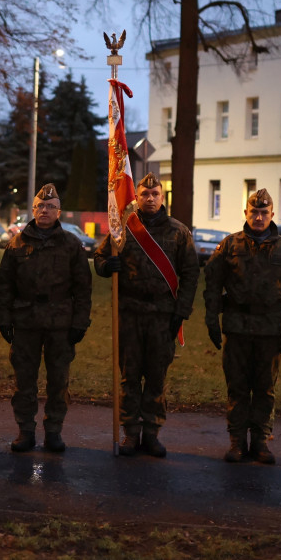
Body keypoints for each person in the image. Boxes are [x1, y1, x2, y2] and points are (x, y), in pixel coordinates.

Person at [93, 173, 199, 457]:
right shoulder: (123, 228)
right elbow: (99, 258)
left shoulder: (179, 232)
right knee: (129, 376)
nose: (149, 199)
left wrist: (182, 312)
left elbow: (190, 274)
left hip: (163, 315)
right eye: (144, 194)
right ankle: (130, 433)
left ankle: (151, 433)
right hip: (129, 312)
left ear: (162, 197)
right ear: (136, 197)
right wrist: (106, 266)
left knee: (155, 377)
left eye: (155, 194)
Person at [203, 188, 281, 465]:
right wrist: (212, 320)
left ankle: (260, 442)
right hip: (236, 326)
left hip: (269, 329)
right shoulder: (229, 246)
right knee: (237, 387)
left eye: (263, 212)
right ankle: (237, 443)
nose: (258, 217)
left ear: (272, 214)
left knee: (264, 389)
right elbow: (212, 286)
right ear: (245, 214)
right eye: (254, 212)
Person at [0, 184, 92, 453]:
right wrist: (3, 317)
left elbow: (83, 289)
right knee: (24, 381)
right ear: (33, 210)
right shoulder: (17, 243)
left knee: (58, 381)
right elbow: (4, 286)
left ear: (59, 211)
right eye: (40, 206)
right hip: (25, 322)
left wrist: (80, 323)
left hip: (60, 324)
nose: (45, 210)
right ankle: (25, 430)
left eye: (50, 206)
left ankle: (53, 431)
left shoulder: (72, 245)